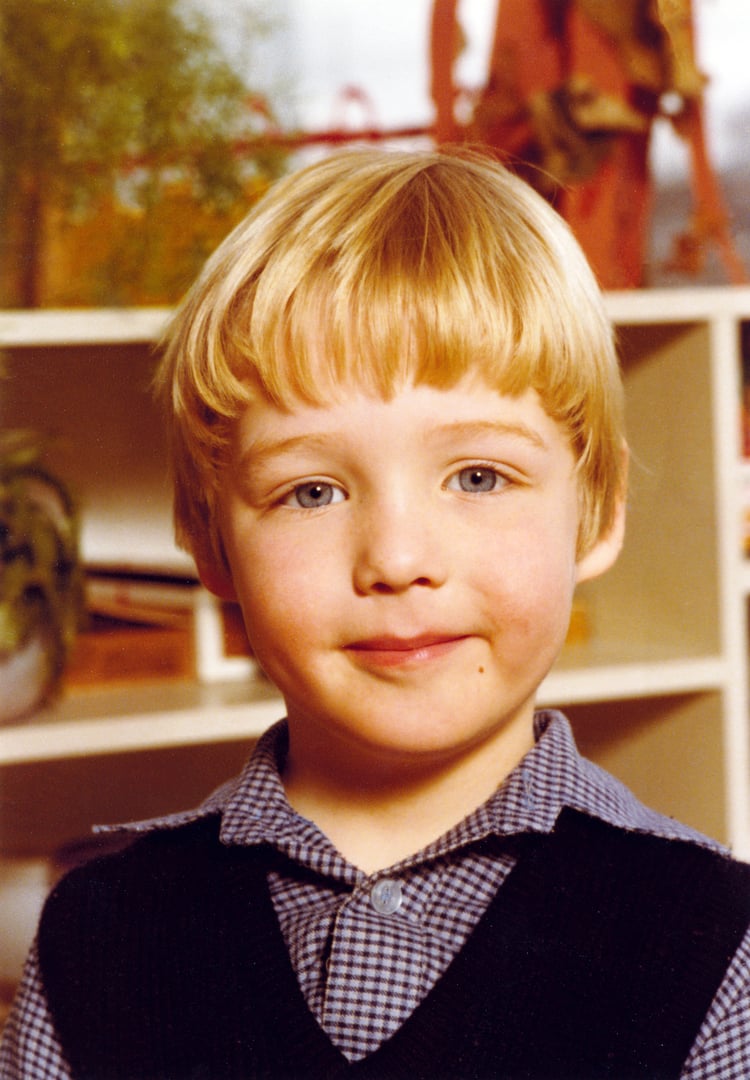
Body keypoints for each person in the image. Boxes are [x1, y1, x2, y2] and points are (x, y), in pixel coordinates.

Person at [2, 147, 748, 1079]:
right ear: (208, 542)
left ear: (594, 512)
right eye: (312, 491)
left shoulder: (717, 944)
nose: (397, 559)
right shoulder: (96, 934)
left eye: (479, 476)